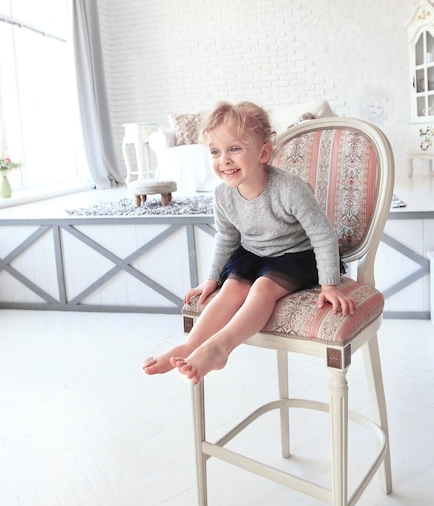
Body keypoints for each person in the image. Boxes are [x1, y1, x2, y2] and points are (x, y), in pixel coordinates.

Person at [143, 101, 356, 384]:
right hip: (254, 254)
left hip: (295, 255)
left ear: (263, 152)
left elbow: (322, 234)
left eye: (234, 149)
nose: (224, 160)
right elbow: (227, 237)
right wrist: (211, 278)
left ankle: (221, 347)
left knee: (263, 288)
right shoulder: (222, 196)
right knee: (230, 287)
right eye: (216, 152)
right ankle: (190, 344)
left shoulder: (290, 189)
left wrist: (330, 284)